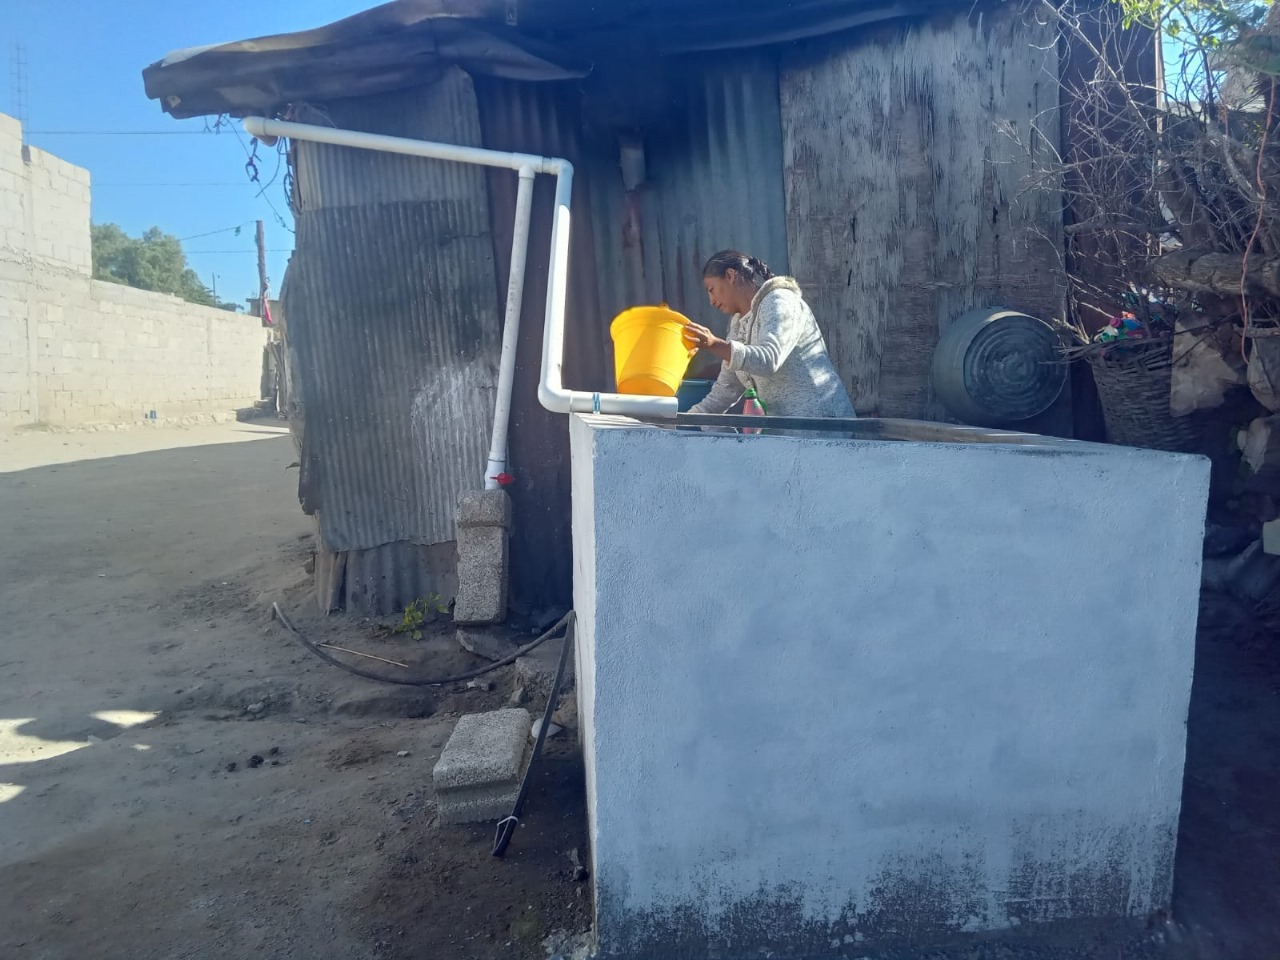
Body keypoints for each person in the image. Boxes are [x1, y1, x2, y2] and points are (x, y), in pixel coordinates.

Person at [683, 250, 856, 420]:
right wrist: (678, 423)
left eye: (711, 289)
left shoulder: (779, 300)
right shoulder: (737, 327)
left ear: (730, 275)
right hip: (786, 436)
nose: (711, 301)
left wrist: (714, 344)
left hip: (825, 427)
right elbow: (724, 392)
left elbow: (769, 360)